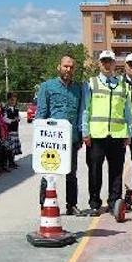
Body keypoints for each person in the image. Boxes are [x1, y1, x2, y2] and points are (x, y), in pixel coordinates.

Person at [82, 50, 132, 216]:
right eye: (103, 61)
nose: (106, 64)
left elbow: (127, 111)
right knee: (95, 170)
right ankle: (95, 203)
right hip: (97, 136)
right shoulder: (92, 83)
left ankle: (114, 202)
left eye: (109, 61)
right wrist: (85, 132)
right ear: (99, 63)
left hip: (118, 136)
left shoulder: (122, 84)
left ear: (114, 63)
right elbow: (85, 110)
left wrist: (128, 133)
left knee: (116, 172)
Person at [36, 55, 84, 215]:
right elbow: (41, 112)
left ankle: (71, 205)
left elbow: (80, 113)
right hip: (51, 139)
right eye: (65, 66)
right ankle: (44, 204)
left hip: (71, 138)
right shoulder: (47, 86)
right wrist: (39, 137)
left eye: (71, 67)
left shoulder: (78, 88)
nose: (68, 69)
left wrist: (81, 135)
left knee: (72, 173)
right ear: (59, 67)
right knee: (49, 172)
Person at [4, 92, 22, 168]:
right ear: (8, 100)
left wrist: (18, 119)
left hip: (15, 130)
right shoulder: (5, 109)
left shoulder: (16, 109)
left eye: (14, 100)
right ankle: (9, 162)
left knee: (14, 147)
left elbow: (19, 117)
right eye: (11, 100)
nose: (13, 102)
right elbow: (4, 119)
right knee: (10, 147)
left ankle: (13, 161)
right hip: (9, 130)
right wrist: (12, 120)